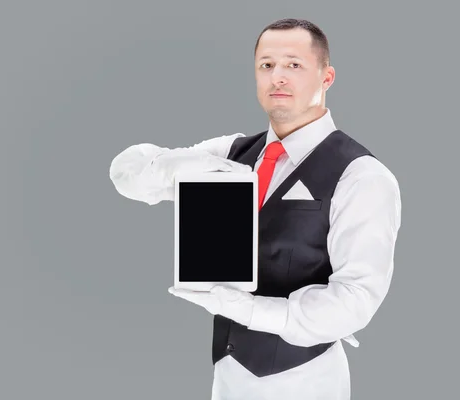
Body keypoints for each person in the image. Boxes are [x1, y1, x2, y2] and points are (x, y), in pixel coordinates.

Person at [109, 18, 402, 400]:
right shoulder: (231, 152)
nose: (277, 77)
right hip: (228, 378)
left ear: (326, 77)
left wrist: (249, 311)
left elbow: (356, 300)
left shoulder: (361, 175)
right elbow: (126, 174)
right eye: (266, 65)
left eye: (293, 65)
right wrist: (183, 167)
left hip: (307, 382)